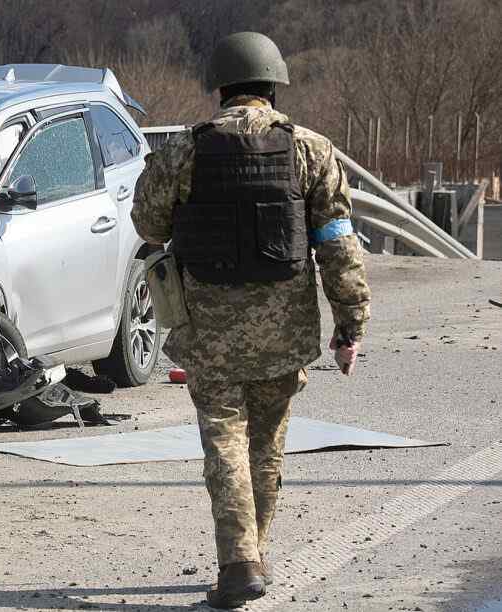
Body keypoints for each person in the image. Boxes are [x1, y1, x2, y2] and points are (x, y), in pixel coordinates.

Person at [130, 32, 372, 608]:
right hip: (284, 334)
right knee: (265, 449)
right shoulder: (311, 150)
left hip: (208, 334)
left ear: (221, 87)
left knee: (225, 447)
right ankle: (250, 557)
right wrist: (350, 325)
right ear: (273, 84)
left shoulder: (185, 151)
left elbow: (148, 225)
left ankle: (240, 565)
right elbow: (338, 243)